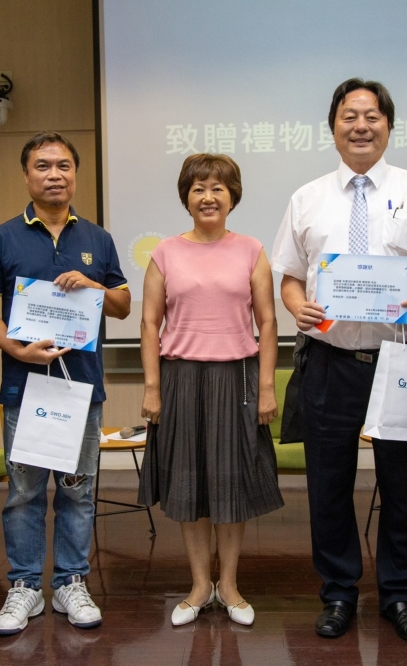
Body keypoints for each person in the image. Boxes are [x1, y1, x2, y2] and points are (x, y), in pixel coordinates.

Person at [271, 78, 407, 641]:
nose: (360, 125)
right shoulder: (307, 197)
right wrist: (298, 307)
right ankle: (338, 593)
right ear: (333, 128)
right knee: (328, 484)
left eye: (371, 116)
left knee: (404, 483)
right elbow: (290, 278)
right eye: (350, 116)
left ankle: (400, 594)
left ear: (388, 126)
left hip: (402, 356)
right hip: (329, 359)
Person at [0, 131, 130, 634]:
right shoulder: (0, 238)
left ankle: (70, 582)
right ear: (26, 175)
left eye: (63, 166)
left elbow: (123, 306)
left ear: (75, 174)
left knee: (79, 491)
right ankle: (22, 587)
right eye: (43, 166)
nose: (54, 175)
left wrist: (96, 286)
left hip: (82, 389)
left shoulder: (97, 239)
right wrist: (15, 348)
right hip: (25, 387)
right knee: (24, 491)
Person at [138, 153, 284, 627]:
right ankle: (200, 585)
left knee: (230, 483)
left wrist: (266, 387)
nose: (208, 196)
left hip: (237, 377)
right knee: (188, 484)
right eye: (198, 188)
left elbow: (267, 321)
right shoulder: (165, 253)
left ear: (232, 196)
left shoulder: (251, 250)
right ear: (186, 196)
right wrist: (152, 388)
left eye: (218, 188)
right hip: (181, 378)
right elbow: (149, 322)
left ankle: (231, 584)